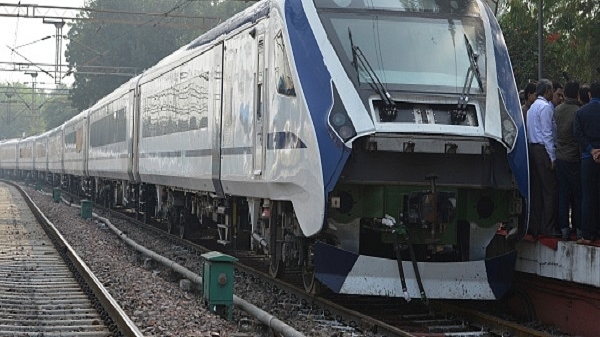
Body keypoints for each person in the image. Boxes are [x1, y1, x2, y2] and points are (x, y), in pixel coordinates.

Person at [526, 79, 559, 237]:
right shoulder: (545, 107)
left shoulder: (532, 108)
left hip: (532, 149)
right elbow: (547, 134)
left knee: (537, 190)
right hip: (542, 150)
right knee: (549, 190)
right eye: (552, 89)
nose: (553, 92)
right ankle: (548, 227)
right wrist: (552, 157)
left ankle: (535, 226)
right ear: (547, 90)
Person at [553, 81, 581, 240]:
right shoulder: (577, 112)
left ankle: (563, 227)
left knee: (562, 193)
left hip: (560, 156)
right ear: (576, 94)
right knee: (577, 194)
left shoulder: (557, 110)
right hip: (573, 158)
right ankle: (578, 228)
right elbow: (577, 137)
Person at [573, 82, 600, 244]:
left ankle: (588, 235)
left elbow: (577, 133)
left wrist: (591, 150)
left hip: (587, 158)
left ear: (589, 95)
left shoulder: (581, 112)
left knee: (588, 196)